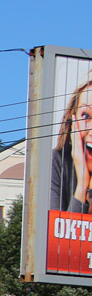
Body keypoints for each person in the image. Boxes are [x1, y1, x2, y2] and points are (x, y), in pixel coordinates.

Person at [50, 75, 92, 214]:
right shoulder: (57, 161)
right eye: (86, 115)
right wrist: (82, 184)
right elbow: (57, 235)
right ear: (73, 120)